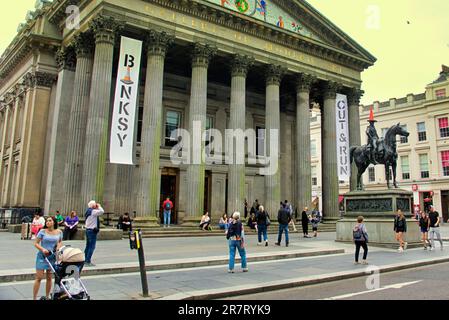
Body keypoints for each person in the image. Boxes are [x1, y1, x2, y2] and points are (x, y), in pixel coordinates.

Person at [33, 216, 63, 300]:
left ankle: (47, 297)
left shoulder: (59, 232)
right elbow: (36, 243)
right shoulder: (42, 231)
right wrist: (42, 249)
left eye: (50, 220)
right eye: (47, 221)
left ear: (54, 222)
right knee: (39, 277)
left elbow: (60, 242)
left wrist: (58, 248)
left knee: (49, 278)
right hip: (42, 256)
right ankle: (34, 298)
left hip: (52, 256)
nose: (47, 222)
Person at [84, 200, 104, 267]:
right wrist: (99, 206)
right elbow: (102, 211)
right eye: (95, 204)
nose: (96, 205)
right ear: (93, 205)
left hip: (88, 230)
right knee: (92, 246)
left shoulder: (88, 211)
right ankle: (87, 260)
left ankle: (85, 259)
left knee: (88, 245)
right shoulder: (93, 211)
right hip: (92, 231)